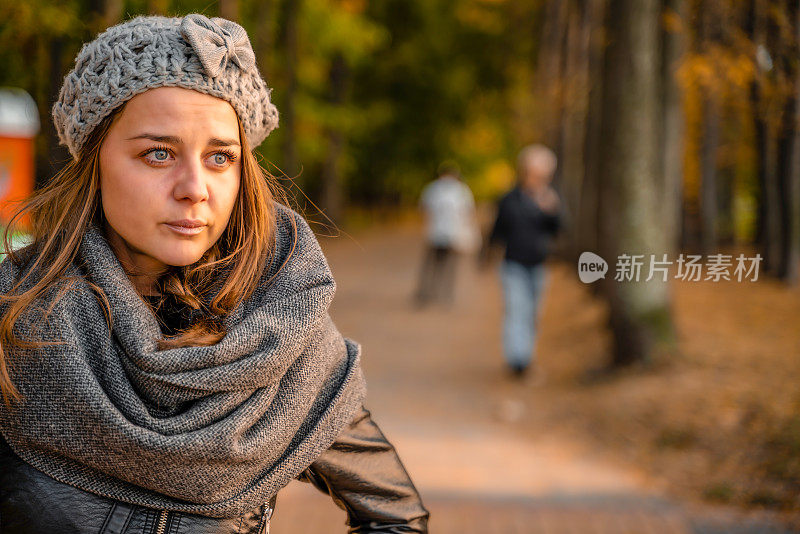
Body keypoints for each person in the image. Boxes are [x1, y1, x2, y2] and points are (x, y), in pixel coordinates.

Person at [0, 14, 428, 533]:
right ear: (95, 161)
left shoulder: (285, 344)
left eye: (220, 157)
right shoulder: (12, 328)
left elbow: (396, 518)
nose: (194, 187)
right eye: (158, 153)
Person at [487, 144, 561, 378]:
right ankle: (518, 362)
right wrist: (487, 254)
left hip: (538, 265)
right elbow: (498, 229)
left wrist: (551, 211)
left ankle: (525, 356)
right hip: (513, 264)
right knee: (517, 309)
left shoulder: (550, 199)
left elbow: (558, 229)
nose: (538, 178)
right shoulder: (510, 199)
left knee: (532, 314)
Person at [414, 164, 477, 306]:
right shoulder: (461, 191)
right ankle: (439, 294)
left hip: (441, 233)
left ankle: (431, 294)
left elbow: (423, 209)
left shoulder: (433, 189)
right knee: (446, 266)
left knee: (438, 265)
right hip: (445, 234)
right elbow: (468, 212)